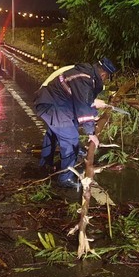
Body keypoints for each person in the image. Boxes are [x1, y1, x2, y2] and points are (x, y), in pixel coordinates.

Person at [33, 57, 118, 189]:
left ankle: (45, 164)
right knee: (70, 137)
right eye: (107, 78)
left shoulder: (86, 74)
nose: (105, 80)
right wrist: (91, 133)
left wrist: (93, 110)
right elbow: (83, 106)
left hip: (53, 102)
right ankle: (65, 178)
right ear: (103, 74)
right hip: (52, 105)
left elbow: (83, 100)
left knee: (55, 132)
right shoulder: (85, 78)